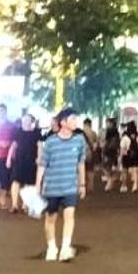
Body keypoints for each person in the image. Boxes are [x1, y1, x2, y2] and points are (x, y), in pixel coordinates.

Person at [38, 107, 88, 261]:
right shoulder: (51, 142)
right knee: (50, 218)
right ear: (63, 122)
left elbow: (81, 163)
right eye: (72, 119)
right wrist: (37, 185)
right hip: (52, 187)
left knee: (69, 216)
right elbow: (42, 165)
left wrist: (82, 184)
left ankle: (65, 248)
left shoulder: (79, 140)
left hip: (70, 187)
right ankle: (52, 248)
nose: (75, 122)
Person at [8, 111, 41, 212]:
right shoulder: (18, 132)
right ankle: (14, 205)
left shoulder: (36, 133)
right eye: (24, 120)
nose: (25, 122)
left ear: (31, 121)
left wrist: (39, 157)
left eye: (28, 120)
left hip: (31, 160)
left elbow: (40, 146)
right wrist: (8, 158)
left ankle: (25, 205)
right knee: (15, 181)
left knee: (29, 183)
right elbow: (13, 146)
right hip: (19, 160)